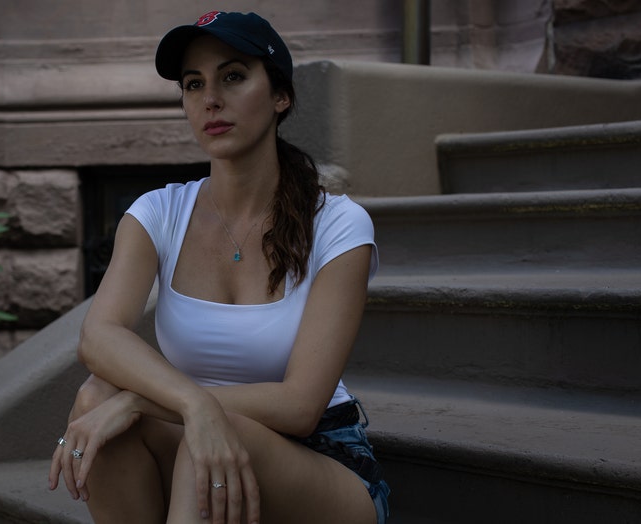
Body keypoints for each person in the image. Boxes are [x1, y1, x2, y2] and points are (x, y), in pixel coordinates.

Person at [48, 10, 390, 524]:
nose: (210, 99)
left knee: (207, 444)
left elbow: (301, 405)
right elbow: (98, 338)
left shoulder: (338, 224)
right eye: (193, 84)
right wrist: (193, 406)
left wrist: (146, 402)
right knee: (98, 399)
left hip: (321, 462)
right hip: (199, 447)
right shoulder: (158, 214)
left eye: (232, 76)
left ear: (281, 96)